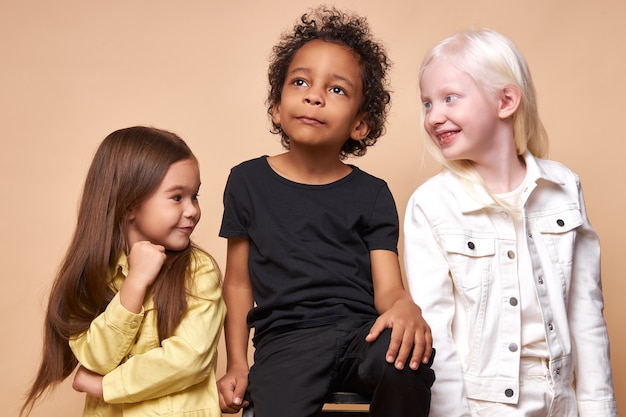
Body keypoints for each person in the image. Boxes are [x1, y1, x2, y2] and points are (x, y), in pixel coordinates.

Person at [217, 6, 435, 417]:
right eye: (300, 81)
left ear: (360, 125)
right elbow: (238, 285)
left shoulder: (372, 193)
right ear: (276, 107)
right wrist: (236, 363)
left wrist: (405, 305)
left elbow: (387, 288)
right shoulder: (247, 182)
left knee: (408, 360)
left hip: (362, 335)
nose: (314, 95)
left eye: (337, 90)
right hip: (286, 341)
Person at [404, 28, 617, 416]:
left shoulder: (564, 187)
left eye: (449, 98)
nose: (434, 117)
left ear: (505, 101)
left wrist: (598, 409)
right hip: (483, 405)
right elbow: (436, 332)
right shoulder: (431, 205)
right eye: (427, 104)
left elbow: (586, 311)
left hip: (562, 401)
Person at [20, 126, 226, 417]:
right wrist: (135, 283)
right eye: (177, 197)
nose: (192, 209)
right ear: (130, 204)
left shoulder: (198, 271)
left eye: (195, 196)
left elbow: (190, 358)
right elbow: (97, 358)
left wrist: (107, 387)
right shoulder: (93, 275)